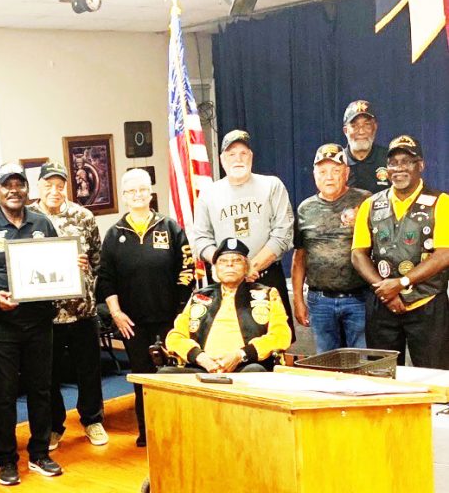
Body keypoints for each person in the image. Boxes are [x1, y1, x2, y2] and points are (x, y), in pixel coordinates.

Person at [0, 163, 63, 486]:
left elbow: (57, 264)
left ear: (27, 189)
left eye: (19, 184)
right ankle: (6, 458)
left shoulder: (42, 223)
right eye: (7, 185)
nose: (14, 190)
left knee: (41, 389)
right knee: (3, 393)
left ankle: (39, 453)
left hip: (38, 321)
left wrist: (70, 266)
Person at [96, 168, 193, 446]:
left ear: (150, 193)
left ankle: (175, 430)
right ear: (124, 195)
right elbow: (106, 279)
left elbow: (186, 270)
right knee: (141, 376)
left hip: (169, 319)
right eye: (131, 191)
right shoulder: (114, 234)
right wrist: (116, 313)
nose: (137, 195)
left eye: (142, 189)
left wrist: (180, 313)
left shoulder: (170, 227)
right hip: (132, 322)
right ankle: (147, 431)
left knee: (171, 376)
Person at [351, 134, 449, 369]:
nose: (399, 168)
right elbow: (358, 253)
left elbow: (444, 254)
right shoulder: (371, 204)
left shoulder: (441, 202)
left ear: (420, 165)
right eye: (393, 163)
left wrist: (402, 283)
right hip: (382, 305)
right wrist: (385, 290)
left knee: (434, 374)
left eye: (406, 162)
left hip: (426, 304)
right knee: (381, 373)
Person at [31, 159, 107, 450]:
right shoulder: (28, 218)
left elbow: (97, 259)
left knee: (89, 369)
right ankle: (54, 425)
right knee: (48, 374)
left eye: (60, 185)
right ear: (39, 186)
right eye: (49, 185)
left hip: (82, 309)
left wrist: (84, 271)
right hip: (45, 313)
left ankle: (92, 419)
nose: (55, 190)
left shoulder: (83, 216)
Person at [189, 129, 295, 330]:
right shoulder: (208, 193)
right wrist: (231, 267)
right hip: (225, 283)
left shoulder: (272, 185)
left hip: (267, 277)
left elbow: (283, 233)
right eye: (231, 154)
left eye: (243, 153)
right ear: (222, 159)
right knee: (227, 339)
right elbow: (201, 240)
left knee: (276, 339)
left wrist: (250, 267)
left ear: (251, 157)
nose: (238, 159)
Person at [166, 238, 292, 372]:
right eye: (223, 261)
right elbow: (175, 337)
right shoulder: (199, 297)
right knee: (165, 373)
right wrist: (199, 357)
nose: (230, 265)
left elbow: (280, 335)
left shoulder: (267, 294)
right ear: (215, 268)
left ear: (246, 267)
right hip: (203, 367)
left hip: (245, 366)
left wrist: (241, 355)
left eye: (237, 260)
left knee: (254, 371)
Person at [292, 143, 370, 353]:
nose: (329, 177)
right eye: (323, 171)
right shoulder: (305, 209)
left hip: (359, 299)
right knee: (326, 362)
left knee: (362, 360)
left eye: (336, 170)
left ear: (346, 173)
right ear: (314, 175)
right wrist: (298, 300)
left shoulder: (365, 201)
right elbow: (299, 257)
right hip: (320, 301)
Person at [342, 100, 389, 194]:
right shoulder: (338, 163)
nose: (361, 131)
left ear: (375, 127)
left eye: (367, 125)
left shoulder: (390, 159)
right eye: (354, 126)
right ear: (346, 131)